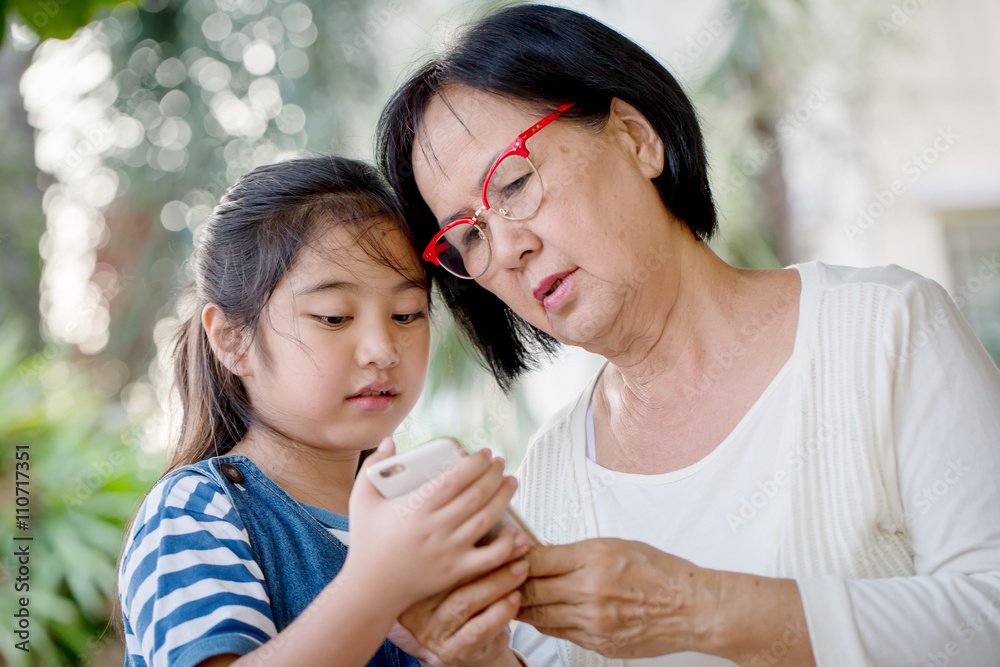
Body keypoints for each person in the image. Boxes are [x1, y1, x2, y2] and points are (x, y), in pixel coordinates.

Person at [375, 5, 1000, 666]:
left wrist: (694, 608)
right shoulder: (552, 475)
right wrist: (478, 658)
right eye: (467, 237)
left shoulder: (887, 330)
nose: (506, 248)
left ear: (635, 136)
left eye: (513, 182)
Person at [116, 155, 532, 667]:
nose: (382, 348)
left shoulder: (420, 522)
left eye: (407, 314)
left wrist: (484, 656)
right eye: (334, 317)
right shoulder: (197, 510)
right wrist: (376, 588)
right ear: (233, 339)